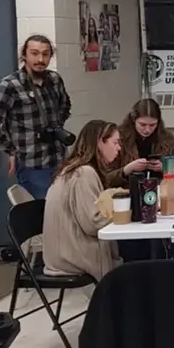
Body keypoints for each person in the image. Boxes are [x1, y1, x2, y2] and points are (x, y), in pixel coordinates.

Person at [0, 35, 73, 200]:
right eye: (34, 53)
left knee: (62, 211)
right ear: (24, 55)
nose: (40, 59)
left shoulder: (54, 79)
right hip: (32, 164)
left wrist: (55, 127)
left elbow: (65, 105)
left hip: (59, 160)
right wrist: (10, 150)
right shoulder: (10, 85)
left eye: (45, 54)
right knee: (42, 215)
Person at [42, 120, 122, 280]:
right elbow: (93, 225)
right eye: (115, 142)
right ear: (100, 142)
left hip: (63, 251)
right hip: (71, 256)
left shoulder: (74, 169)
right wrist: (122, 207)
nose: (119, 148)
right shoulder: (84, 173)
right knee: (135, 261)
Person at [105, 98, 174, 262]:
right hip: (129, 200)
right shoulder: (120, 138)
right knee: (135, 253)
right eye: (142, 125)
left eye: (152, 125)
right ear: (133, 120)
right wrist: (128, 169)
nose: (147, 130)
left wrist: (165, 169)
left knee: (166, 250)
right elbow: (106, 177)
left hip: (161, 199)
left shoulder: (167, 139)